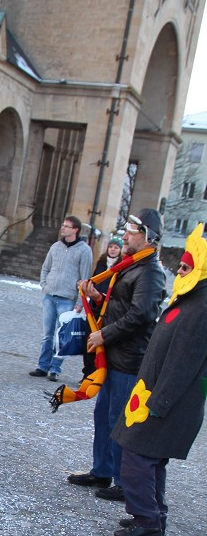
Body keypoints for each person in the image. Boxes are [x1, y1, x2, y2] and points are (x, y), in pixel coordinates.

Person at [110, 224, 207, 536]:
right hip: (155, 396)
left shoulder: (201, 307)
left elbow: (184, 364)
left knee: (137, 457)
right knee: (150, 460)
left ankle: (147, 518)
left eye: (184, 267)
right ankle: (154, 515)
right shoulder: (190, 299)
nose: (178, 272)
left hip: (165, 403)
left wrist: (159, 403)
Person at [66, 209, 165, 501]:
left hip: (129, 358)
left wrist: (104, 334)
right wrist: (97, 298)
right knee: (104, 416)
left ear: (147, 237)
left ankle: (124, 481)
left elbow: (142, 314)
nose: (125, 236)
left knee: (120, 421)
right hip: (113, 356)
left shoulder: (150, 271)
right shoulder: (132, 266)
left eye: (131, 232)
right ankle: (103, 469)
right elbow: (122, 305)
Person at [29, 216, 93, 382]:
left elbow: (85, 278)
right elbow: (45, 268)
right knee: (47, 335)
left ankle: (55, 368)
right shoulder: (55, 247)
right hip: (50, 296)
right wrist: (44, 284)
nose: (63, 228)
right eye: (63, 225)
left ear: (75, 230)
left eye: (66, 226)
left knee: (62, 336)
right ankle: (42, 366)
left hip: (68, 299)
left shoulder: (84, 251)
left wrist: (80, 302)